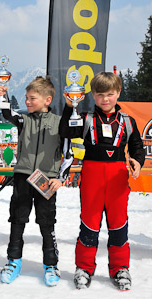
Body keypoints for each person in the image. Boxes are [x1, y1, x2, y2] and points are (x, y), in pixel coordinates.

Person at [59, 72, 145, 291]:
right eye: (100, 95)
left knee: (118, 224)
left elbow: (137, 146)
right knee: (89, 223)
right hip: (92, 176)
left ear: (118, 93)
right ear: (93, 95)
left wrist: (137, 162)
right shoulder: (86, 118)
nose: (105, 99)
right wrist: (70, 106)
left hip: (117, 177)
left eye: (110, 94)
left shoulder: (127, 121)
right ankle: (84, 268)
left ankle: (120, 268)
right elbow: (65, 130)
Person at [0, 76, 72, 287]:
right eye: (26, 98)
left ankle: (50, 264)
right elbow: (7, 113)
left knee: (46, 222)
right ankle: (13, 261)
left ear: (47, 100)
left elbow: (69, 153)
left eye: (32, 98)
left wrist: (60, 178)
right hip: (23, 177)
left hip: (47, 179)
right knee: (17, 220)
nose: (27, 102)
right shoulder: (23, 119)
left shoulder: (59, 123)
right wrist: (2, 96)